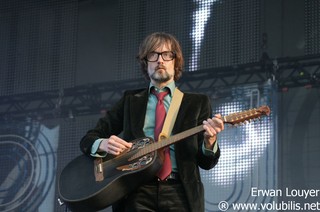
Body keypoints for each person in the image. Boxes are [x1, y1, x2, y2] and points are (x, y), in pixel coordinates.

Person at [80, 32, 224, 212]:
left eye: (167, 55)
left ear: (176, 61)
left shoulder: (197, 103)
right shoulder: (131, 100)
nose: (160, 60)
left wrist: (210, 142)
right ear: (145, 62)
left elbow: (206, 163)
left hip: (180, 192)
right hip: (135, 191)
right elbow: (88, 139)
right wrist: (103, 144)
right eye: (153, 55)